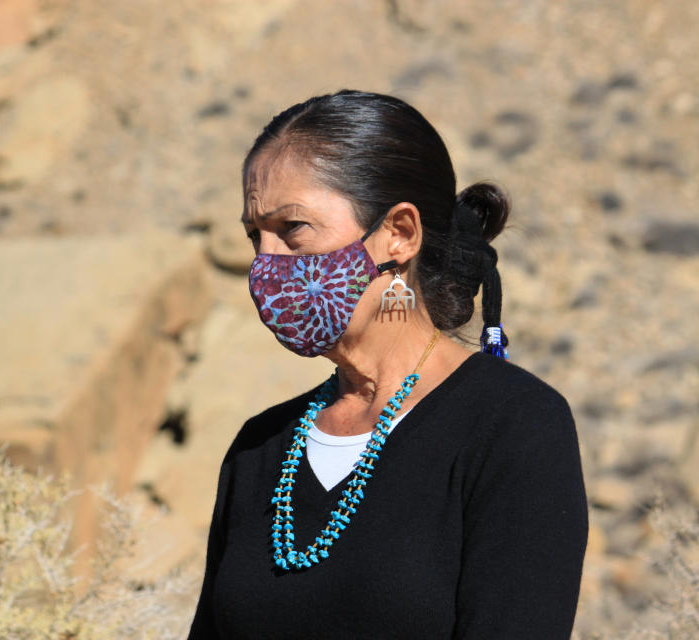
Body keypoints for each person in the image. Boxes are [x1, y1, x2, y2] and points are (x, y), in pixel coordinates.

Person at [188, 91, 588, 639]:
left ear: (399, 233)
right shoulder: (259, 448)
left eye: (294, 228)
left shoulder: (513, 426)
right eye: (254, 235)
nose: (265, 264)